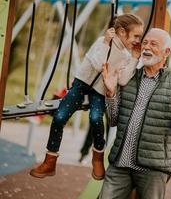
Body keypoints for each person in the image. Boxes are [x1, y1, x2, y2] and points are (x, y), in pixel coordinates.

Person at [29, 14, 144, 180]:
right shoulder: (101, 42)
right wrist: (106, 43)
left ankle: (97, 158)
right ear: (121, 32)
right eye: (136, 36)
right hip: (82, 83)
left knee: (96, 118)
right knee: (60, 116)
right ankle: (50, 161)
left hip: (100, 90)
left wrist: (134, 57)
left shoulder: (126, 56)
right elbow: (98, 65)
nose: (138, 40)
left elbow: (124, 79)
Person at [100, 28, 171, 198]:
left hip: (153, 169)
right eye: (145, 42)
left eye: (153, 44)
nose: (147, 47)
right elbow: (114, 120)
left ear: (166, 52)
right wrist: (111, 94)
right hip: (120, 164)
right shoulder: (127, 78)